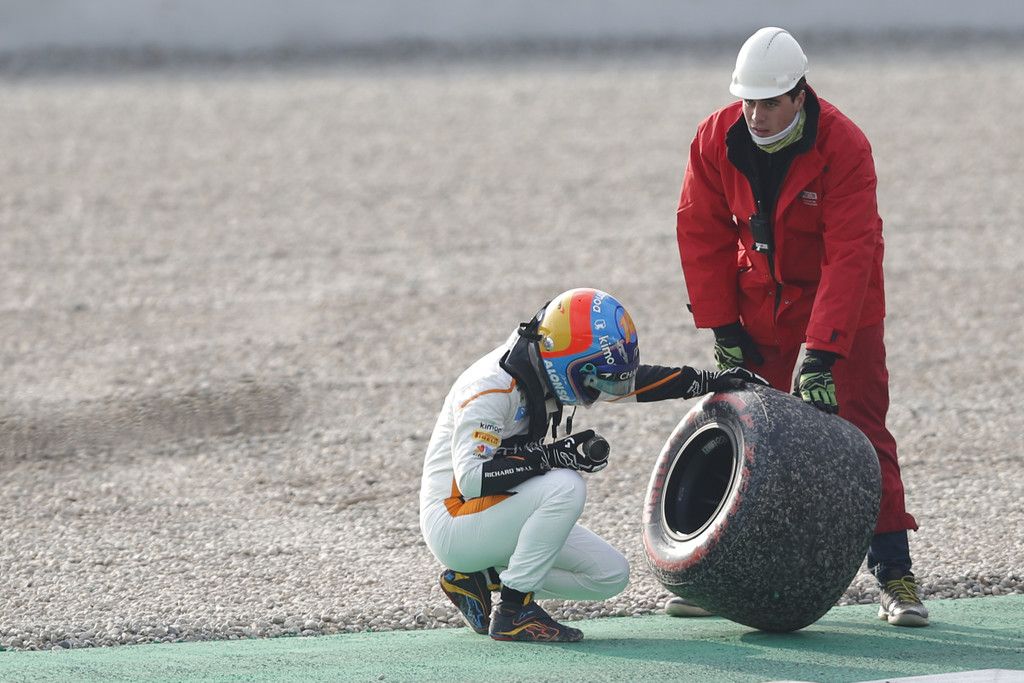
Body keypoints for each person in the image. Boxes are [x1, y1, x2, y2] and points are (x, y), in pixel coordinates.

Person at [670, 27, 927, 627]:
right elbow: (700, 233)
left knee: (864, 434)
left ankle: (895, 574)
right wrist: (723, 327)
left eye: (768, 103)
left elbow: (852, 252)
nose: (755, 115)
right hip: (760, 310)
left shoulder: (845, 144)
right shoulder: (713, 138)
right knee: (747, 436)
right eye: (747, 101)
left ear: (799, 94)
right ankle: (720, 577)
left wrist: (822, 352)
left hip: (844, 313)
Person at [419, 287, 765, 642]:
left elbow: (628, 383)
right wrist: (551, 456)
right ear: (563, 362)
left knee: (609, 575)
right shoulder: (490, 389)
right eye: (591, 376)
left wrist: (707, 381)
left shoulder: (544, 361)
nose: (599, 388)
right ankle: (513, 610)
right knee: (566, 485)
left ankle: (479, 577)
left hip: (491, 512)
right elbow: (473, 479)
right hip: (454, 519)